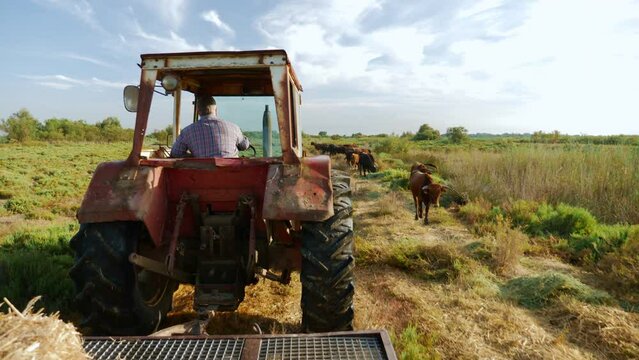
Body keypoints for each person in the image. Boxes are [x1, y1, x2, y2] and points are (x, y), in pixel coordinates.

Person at [170, 95, 250, 158]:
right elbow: (245, 146)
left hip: (202, 177)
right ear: (216, 110)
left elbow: (175, 153)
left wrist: (194, 156)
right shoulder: (234, 127)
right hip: (232, 176)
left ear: (198, 112)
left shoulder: (187, 131)